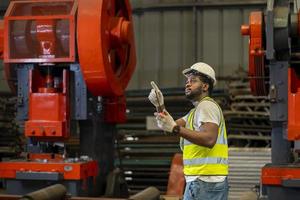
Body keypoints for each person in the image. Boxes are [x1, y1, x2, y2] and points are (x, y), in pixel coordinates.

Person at [148, 62, 228, 200]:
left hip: (205, 181)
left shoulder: (206, 106)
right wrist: (159, 105)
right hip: (203, 181)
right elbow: (169, 128)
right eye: (187, 81)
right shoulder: (194, 112)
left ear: (205, 86)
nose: (187, 84)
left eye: (193, 81)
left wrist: (175, 128)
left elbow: (209, 139)